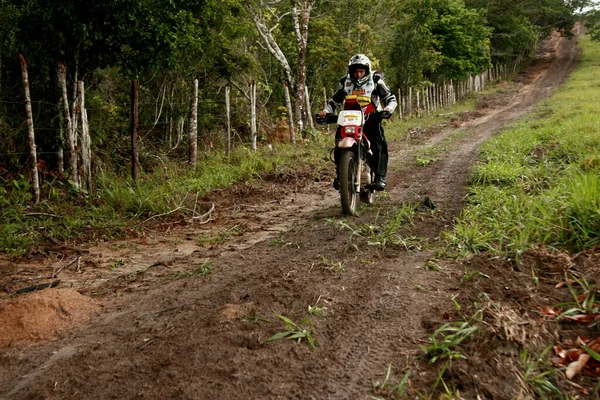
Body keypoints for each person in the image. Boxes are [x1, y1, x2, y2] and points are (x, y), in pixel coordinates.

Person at [319, 54, 397, 191]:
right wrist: (325, 111)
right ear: (350, 71)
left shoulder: (375, 80)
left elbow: (390, 98)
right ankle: (340, 174)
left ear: (367, 70)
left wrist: (388, 109)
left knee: (378, 143)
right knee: (338, 143)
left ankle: (380, 177)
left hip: (371, 117)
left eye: (361, 71)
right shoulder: (345, 82)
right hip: (349, 119)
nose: (358, 74)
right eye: (355, 71)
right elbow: (334, 102)